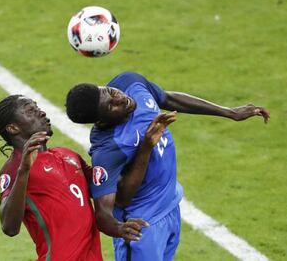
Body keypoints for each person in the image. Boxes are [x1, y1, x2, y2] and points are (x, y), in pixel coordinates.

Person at [65, 71, 270, 261]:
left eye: (110, 92)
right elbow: (111, 208)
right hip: (144, 224)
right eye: (111, 106)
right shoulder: (108, 148)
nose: (119, 98)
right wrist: (146, 147)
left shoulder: (130, 83)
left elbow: (167, 98)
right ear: (101, 121)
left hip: (170, 204)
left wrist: (229, 112)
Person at [0, 94, 175, 261]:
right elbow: (9, 227)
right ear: (13, 128)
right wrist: (23, 172)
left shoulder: (68, 155)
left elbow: (116, 194)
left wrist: (146, 147)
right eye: (30, 111)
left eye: (38, 107)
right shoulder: (13, 169)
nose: (42, 112)